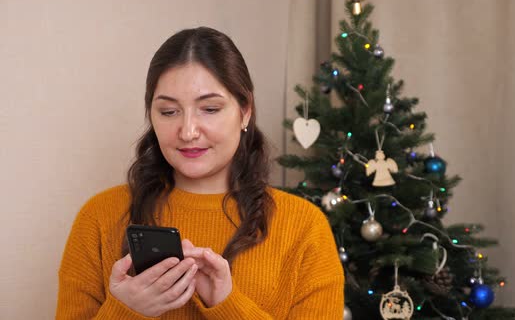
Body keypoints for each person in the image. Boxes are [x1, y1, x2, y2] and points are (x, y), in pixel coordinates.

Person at [56, 27, 344, 319]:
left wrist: (226, 304)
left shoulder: (304, 228)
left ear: (245, 111)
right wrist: (125, 312)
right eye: (169, 112)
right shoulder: (99, 217)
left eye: (209, 108)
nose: (188, 131)